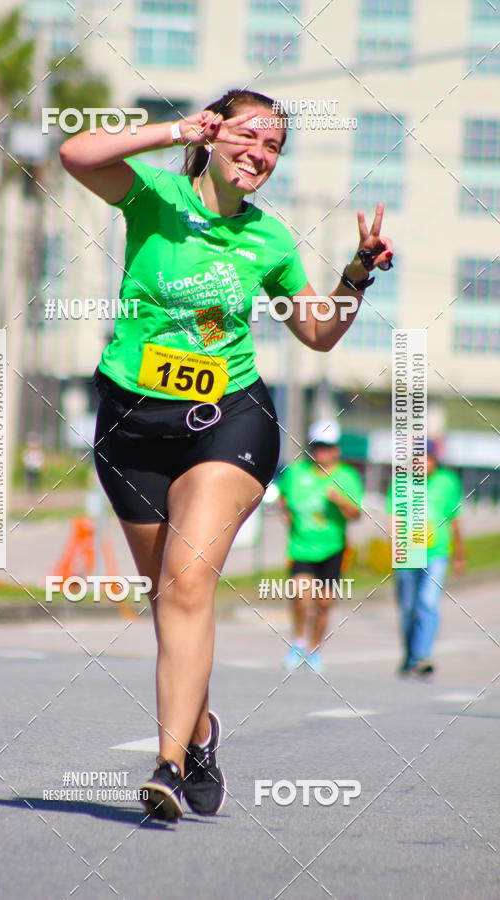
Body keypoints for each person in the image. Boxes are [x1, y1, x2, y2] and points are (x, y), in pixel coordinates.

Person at [60, 88, 394, 822]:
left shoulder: (269, 240)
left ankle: (168, 767)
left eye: (274, 147)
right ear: (212, 135)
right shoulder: (153, 195)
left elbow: (317, 331)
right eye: (249, 136)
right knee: (168, 600)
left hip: (228, 419)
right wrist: (173, 129)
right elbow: (75, 153)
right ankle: (202, 732)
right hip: (131, 424)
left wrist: (356, 274)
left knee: (187, 584)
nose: (261, 155)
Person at [277, 421, 364, 674]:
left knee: (323, 603)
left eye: (326, 447)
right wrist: (286, 513)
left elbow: (356, 514)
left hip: (333, 547)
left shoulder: (347, 476)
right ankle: (298, 642)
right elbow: (283, 495)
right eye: (316, 447)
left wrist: (340, 501)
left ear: (336, 449)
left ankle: (314, 650)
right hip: (301, 546)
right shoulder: (296, 472)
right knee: (300, 595)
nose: (321, 452)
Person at [389, 439, 465, 678]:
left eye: (428, 458)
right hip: (408, 552)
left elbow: (455, 519)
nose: (423, 463)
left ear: (435, 460)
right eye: (419, 458)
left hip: (437, 553)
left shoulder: (448, 482)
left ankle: (422, 656)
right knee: (408, 608)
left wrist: (459, 555)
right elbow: (394, 518)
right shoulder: (402, 482)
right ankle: (410, 654)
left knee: (428, 603)